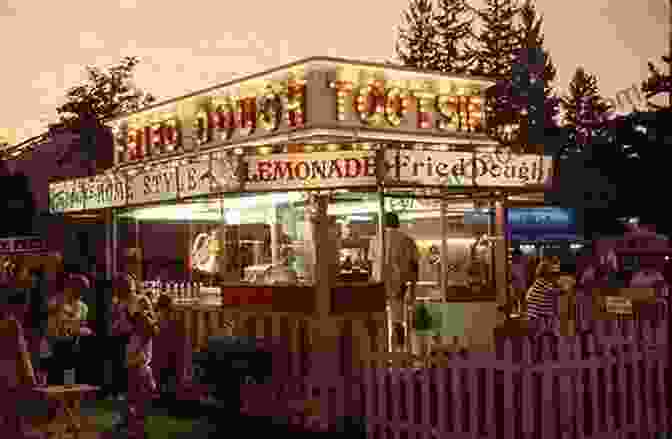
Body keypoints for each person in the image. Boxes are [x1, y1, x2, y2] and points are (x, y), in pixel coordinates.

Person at [368, 212, 419, 351]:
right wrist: (413, 289)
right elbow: (414, 266)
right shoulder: (407, 240)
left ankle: (381, 351)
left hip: (378, 286)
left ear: (383, 223)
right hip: (399, 286)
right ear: (398, 223)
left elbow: (370, 266)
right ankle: (399, 351)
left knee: (380, 320)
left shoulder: (374, 240)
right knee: (397, 321)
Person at [122, 295, 159, 439]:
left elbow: (142, 354)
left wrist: (132, 360)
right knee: (134, 402)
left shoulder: (143, 323)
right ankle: (134, 427)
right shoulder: (140, 323)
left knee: (136, 402)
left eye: (135, 306)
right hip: (138, 368)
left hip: (139, 369)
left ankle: (136, 429)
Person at [523, 257, 567, 336]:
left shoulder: (538, 282)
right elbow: (558, 291)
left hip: (535, 314)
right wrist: (563, 288)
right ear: (546, 272)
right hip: (538, 315)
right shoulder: (543, 282)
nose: (556, 276)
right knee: (543, 335)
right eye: (553, 273)